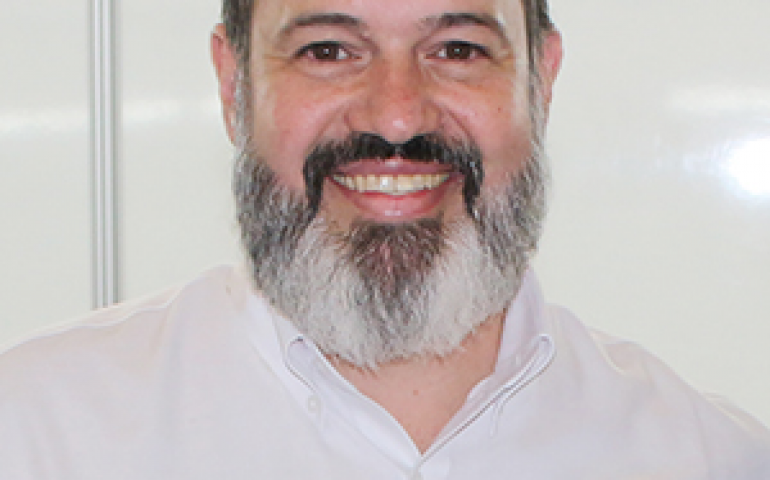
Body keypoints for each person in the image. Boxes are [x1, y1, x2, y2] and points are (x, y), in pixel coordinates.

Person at [1, 0, 769, 477]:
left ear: (541, 81)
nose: (397, 115)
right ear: (234, 87)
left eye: (458, 49)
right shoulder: (34, 435)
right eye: (327, 50)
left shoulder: (710, 460)